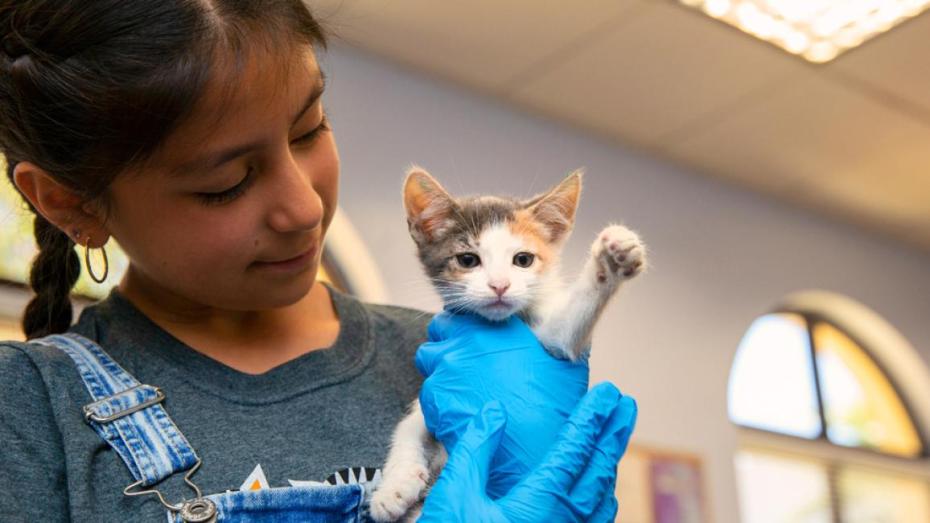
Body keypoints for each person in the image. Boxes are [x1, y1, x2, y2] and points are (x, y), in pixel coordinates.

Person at [0, 1, 637, 522]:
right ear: (68, 203)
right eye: (226, 182)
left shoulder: (448, 358)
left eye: (310, 129)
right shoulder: (28, 411)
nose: (304, 209)